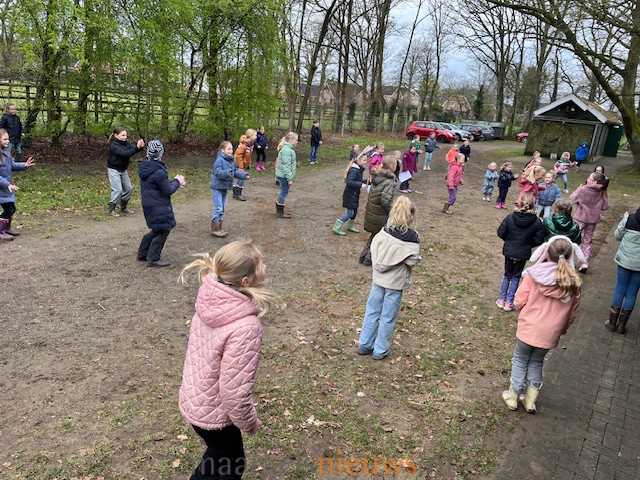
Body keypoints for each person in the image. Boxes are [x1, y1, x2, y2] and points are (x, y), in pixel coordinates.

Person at [178, 241, 282, 480]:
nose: (265, 267)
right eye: (260, 264)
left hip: (194, 399)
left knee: (219, 456)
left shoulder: (209, 301)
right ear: (245, 281)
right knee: (231, 465)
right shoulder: (246, 327)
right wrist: (250, 423)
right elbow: (234, 393)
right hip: (214, 415)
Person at [501, 236, 582, 413]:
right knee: (537, 362)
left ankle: (513, 396)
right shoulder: (574, 283)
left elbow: (519, 300)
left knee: (520, 359)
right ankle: (530, 401)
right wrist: (562, 329)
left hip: (528, 327)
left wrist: (523, 309)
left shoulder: (534, 275)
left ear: (546, 253)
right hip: (550, 333)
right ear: (570, 256)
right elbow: (572, 314)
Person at [357, 197, 421, 360]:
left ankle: (364, 344)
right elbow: (412, 260)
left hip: (378, 280)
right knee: (388, 316)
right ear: (410, 216)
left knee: (372, 311)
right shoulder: (412, 237)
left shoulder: (384, 230)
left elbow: (374, 248)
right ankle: (380, 350)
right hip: (395, 283)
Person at [136, 140, 185, 267]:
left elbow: (160, 186)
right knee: (164, 229)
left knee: (157, 228)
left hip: (149, 205)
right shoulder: (159, 171)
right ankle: (153, 258)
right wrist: (177, 181)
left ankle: (143, 253)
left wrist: (174, 182)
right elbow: (167, 191)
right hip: (159, 205)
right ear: (160, 153)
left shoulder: (145, 167)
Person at [496, 193, 545, 312]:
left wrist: (509, 241)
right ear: (534, 205)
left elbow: (501, 232)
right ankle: (509, 302)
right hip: (522, 252)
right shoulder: (537, 222)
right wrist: (528, 244)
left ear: (520, 203)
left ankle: (502, 299)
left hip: (510, 250)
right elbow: (539, 239)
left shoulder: (510, 217)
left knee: (507, 274)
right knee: (516, 276)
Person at [605, 208, 640, 335]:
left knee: (620, 289)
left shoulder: (629, 220)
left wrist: (624, 219)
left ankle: (612, 323)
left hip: (624, 262)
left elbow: (617, 236)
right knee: (632, 293)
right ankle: (621, 326)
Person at [570, 172, 610, 272]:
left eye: (589, 178)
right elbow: (605, 207)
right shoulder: (602, 191)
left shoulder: (583, 189)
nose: (587, 179)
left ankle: (567, 260)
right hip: (592, 221)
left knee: (573, 239)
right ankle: (584, 263)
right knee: (587, 241)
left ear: (594, 182)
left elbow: (572, 198)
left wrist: (578, 189)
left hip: (580, 219)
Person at [360, 156, 396, 266]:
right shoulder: (388, 182)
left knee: (374, 235)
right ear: (391, 167)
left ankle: (364, 255)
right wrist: (393, 210)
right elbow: (385, 201)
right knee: (379, 237)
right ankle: (369, 258)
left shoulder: (377, 177)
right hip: (380, 214)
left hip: (373, 211)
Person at [0, 128, 35, 241]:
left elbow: (12, 165)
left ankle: (6, 228)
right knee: (8, 210)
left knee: (12, 209)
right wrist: (7, 184)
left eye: (8, 139)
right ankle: (0, 231)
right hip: (2, 188)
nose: (8, 141)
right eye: (5, 139)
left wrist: (24, 165)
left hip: (7, 188)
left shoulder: (6, 152)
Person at [210, 141, 249, 238]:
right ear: (222, 150)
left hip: (225, 188)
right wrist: (227, 172)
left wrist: (244, 175)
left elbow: (235, 172)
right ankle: (215, 229)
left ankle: (219, 228)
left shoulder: (232, 160)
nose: (231, 151)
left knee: (222, 209)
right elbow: (218, 173)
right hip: (217, 188)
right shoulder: (219, 160)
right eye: (228, 149)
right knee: (218, 208)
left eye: (231, 149)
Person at [106, 126, 145, 217]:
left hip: (123, 169)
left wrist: (140, 146)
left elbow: (133, 149)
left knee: (128, 189)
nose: (125, 137)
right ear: (116, 135)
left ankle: (123, 206)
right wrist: (136, 147)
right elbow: (125, 154)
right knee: (118, 190)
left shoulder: (126, 143)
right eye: (123, 135)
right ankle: (112, 208)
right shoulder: (114, 145)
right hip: (114, 169)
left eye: (126, 135)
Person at [333, 149, 368, 235]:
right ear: (357, 160)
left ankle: (350, 226)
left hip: (355, 194)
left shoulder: (359, 169)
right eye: (364, 160)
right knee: (350, 212)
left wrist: (367, 181)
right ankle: (336, 227)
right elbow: (350, 182)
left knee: (354, 211)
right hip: (350, 195)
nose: (365, 162)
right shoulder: (354, 170)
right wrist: (360, 184)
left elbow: (357, 181)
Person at [275, 132, 298, 219]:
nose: (297, 142)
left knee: (284, 191)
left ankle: (280, 210)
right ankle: (280, 212)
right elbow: (286, 165)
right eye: (296, 140)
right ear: (291, 140)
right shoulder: (287, 150)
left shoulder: (288, 149)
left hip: (284, 175)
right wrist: (289, 178)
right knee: (284, 192)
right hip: (284, 176)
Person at [233, 129, 256, 201]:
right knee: (242, 177)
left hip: (243, 163)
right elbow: (238, 156)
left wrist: (248, 163)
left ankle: (236, 192)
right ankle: (237, 194)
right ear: (251, 136)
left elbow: (248, 156)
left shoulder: (250, 144)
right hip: (238, 163)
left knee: (242, 177)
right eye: (255, 135)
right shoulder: (244, 145)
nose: (256, 137)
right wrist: (241, 167)